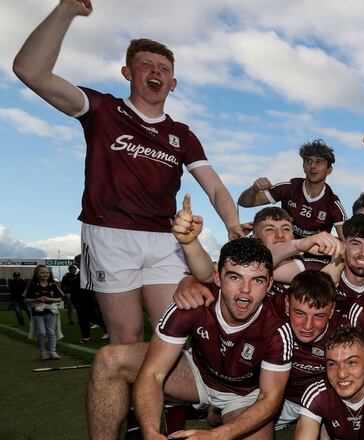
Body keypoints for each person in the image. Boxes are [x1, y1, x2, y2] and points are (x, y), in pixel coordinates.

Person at [13, 1, 244, 345]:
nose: (156, 72)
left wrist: (231, 223)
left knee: (175, 334)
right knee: (127, 336)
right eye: (145, 65)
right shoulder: (103, 109)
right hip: (109, 235)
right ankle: (134, 398)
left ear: (173, 82)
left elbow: (214, 188)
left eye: (163, 68)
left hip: (164, 238)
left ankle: (162, 398)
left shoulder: (181, 134)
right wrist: (66, 10)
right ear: (128, 72)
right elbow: (31, 71)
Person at [38, 238, 292, 440]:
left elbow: (271, 400)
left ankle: (217, 422)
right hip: (197, 373)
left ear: (269, 285)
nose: (245, 291)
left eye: (257, 280)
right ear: (218, 278)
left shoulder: (277, 325)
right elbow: (153, 373)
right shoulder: (193, 303)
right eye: (235, 277)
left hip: (244, 396)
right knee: (110, 360)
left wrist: (215, 438)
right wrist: (151, 434)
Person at [238, 139, 346, 238]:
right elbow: (244, 203)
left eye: (319, 161)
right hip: (284, 250)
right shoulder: (289, 188)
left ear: (329, 170)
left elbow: (345, 241)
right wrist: (254, 189)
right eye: (308, 161)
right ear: (303, 166)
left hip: (314, 257)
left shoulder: (333, 204)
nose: (312, 165)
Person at [24, 264, 64, 360]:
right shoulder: (32, 285)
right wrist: (36, 299)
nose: (45, 274)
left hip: (51, 310)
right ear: (37, 274)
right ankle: (43, 352)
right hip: (37, 310)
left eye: (47, 272)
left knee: (51, 331)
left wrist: (49, 298)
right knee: (41, 332)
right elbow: (25, 300)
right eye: (42, 272)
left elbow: (60, 298)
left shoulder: (53, 285)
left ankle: (53, 351)